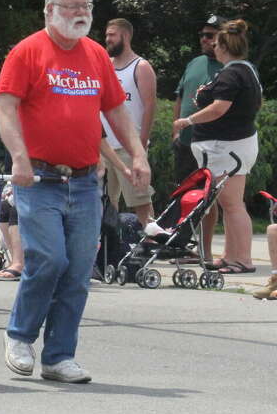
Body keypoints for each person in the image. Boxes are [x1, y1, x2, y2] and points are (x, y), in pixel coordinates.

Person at [0, 0, 148, 384]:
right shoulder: (27, 52)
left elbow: (116, 110)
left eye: (86, 6)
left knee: (79, 269)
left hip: (84, 182)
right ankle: (20, 336)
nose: (80, 13)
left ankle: (59, 356)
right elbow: (5, 107)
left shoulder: (96, 54)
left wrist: (137, 154)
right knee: (49, 260)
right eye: (71, 6)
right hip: (39, 178)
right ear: (50, 10)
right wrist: (19, 158)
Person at [175, 19, 261, 274]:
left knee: (233, 204)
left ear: (223, 46)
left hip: (228, 148)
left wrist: (188, 120)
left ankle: (242, 259)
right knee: (228, 203)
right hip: (230, 146)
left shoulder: (233, 73)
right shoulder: (245, 70)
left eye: (216, 42)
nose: (212, 45)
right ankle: (230, 255)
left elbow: (219, 108)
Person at [172, 15, 225, 256]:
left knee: (209, 198)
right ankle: (181, 246)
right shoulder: (194, 63)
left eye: (211, 35)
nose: (205, 39)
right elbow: (180, 97)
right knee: (184, 197)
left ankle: (206, 252)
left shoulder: (231, 66)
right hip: (186, 142)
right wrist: (175, 130)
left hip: (213, 143)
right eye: (203, 35)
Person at [98, 18, 157, 222]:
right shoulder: (105, 65)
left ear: (125, 36)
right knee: (104, 200)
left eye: (112, 35)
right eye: (107, 35)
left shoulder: (141, 66)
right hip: (104, 147)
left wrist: (140, 145)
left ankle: (151, 240)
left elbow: (150, 107)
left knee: (140, 199)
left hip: (128, 148)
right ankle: (110, 243)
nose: (108, 39)